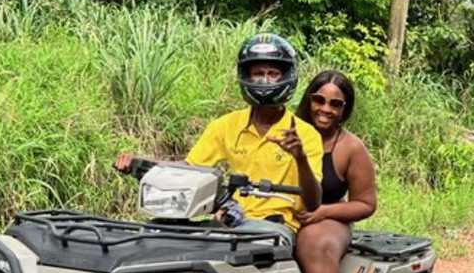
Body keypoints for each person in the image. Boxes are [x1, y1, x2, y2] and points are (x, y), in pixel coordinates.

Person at [115, 33, 323, 245]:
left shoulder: (305, 134)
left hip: (274, 228)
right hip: (231, 219)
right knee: (156, 238)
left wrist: (300, 158)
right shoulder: (225, 125)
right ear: (246, 76)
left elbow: (313, 201)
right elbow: (189, 167)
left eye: (273, 73)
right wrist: (141, 164)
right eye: (258, 73)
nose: (265, 80)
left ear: (287, 76)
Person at [294, 70, 377, 273]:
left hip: (328, 219)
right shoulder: (288, 131)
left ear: (345, 109)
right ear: (308, 99)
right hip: (277, 214)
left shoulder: (350, 148)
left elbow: (366, 203)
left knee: (316, 244)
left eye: (335, 104)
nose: (325, 109)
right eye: (319, 100)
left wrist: (324, 211)